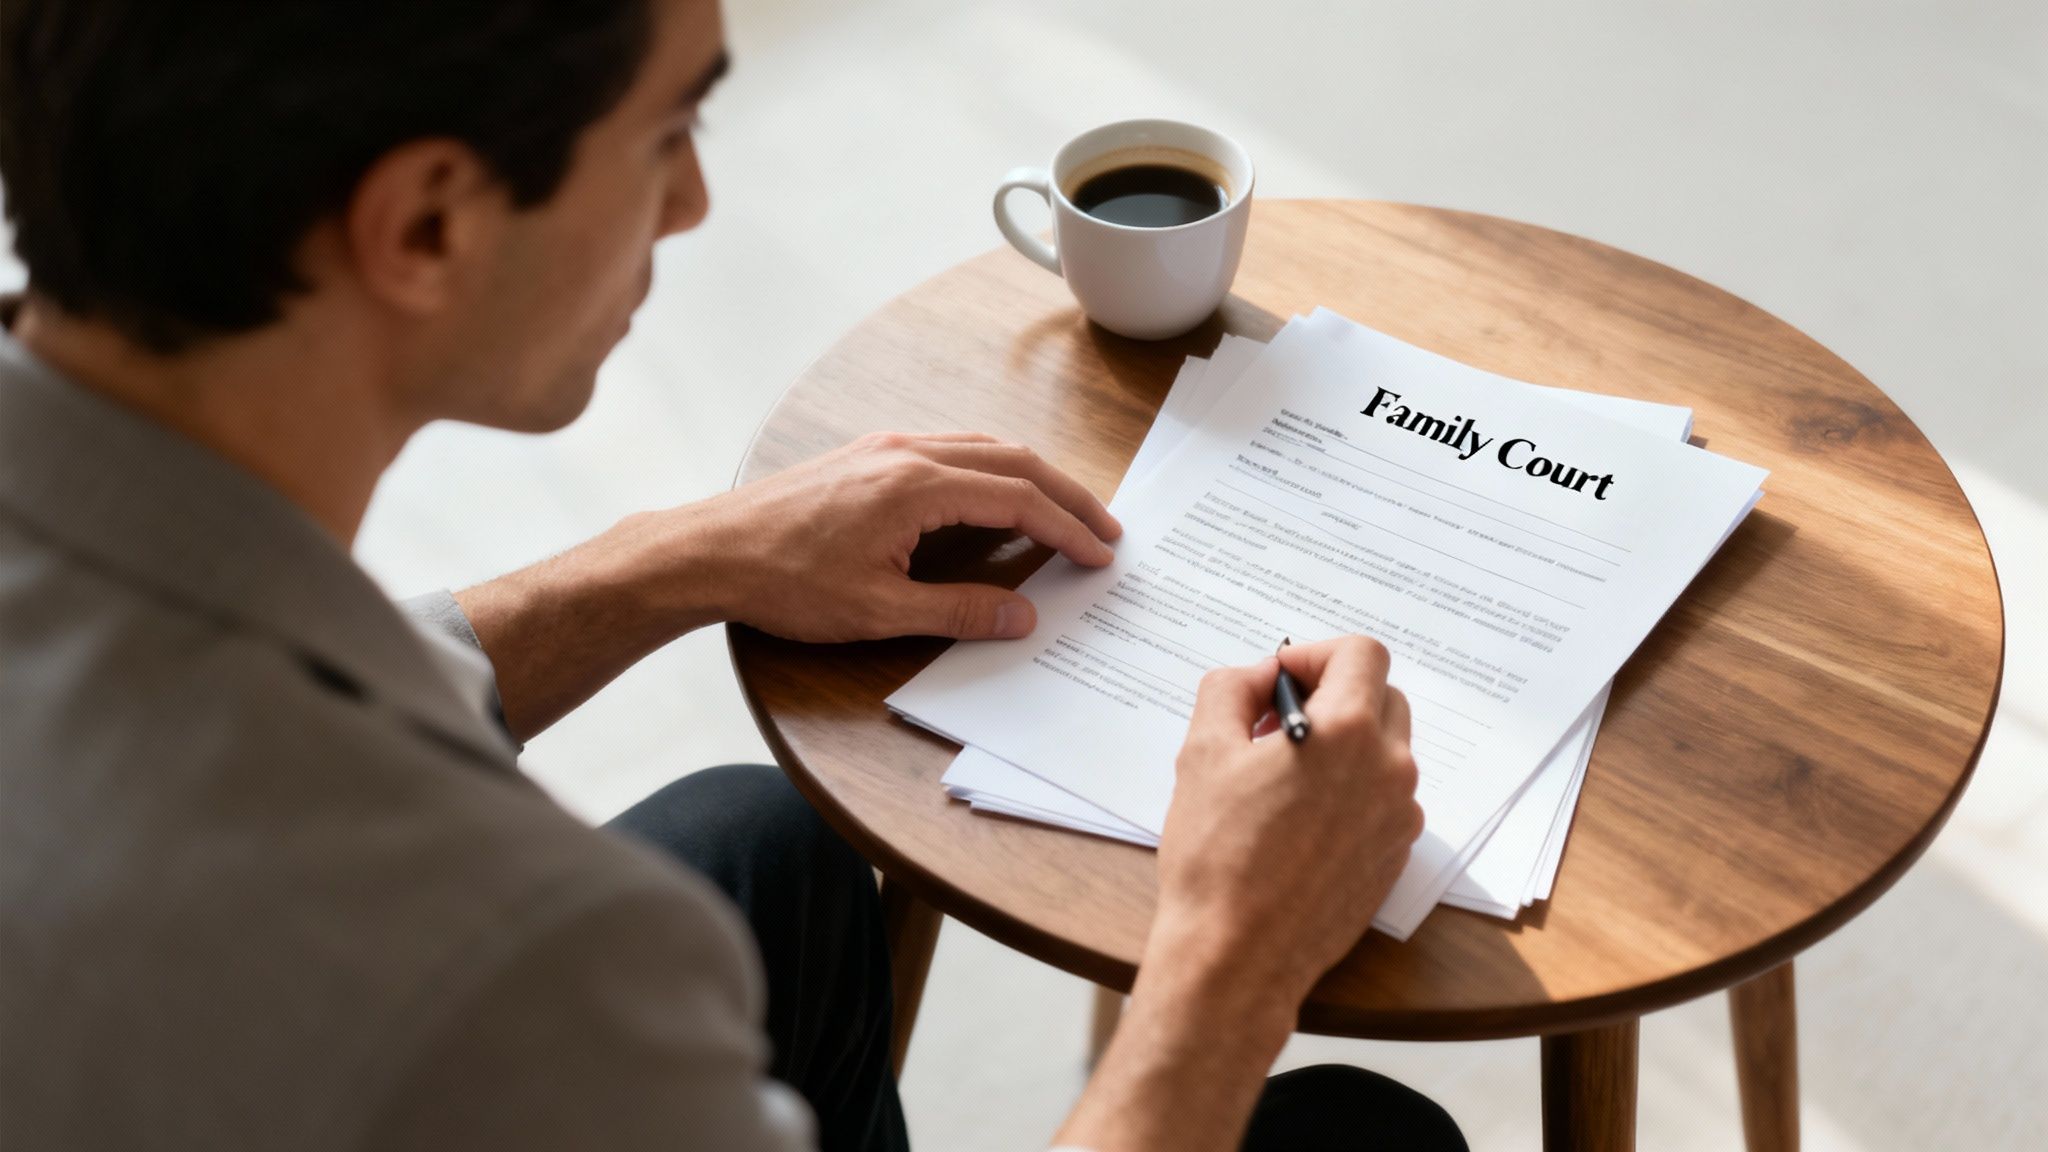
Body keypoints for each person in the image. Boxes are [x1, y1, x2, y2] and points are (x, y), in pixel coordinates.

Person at [0, 1, 1466, 1149]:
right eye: (664, 132)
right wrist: (1228, 961)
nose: (697, 201)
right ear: (430, 223)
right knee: (1357, 1135)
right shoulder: (514, 964)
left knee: (770, 844)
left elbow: (240, 697)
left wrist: (681, 559)